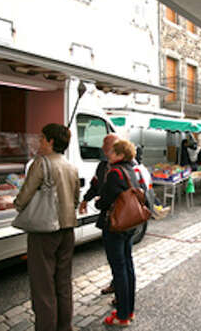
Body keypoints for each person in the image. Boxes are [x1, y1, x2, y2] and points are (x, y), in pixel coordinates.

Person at [14, 123, 80, 331]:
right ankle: (64, 327)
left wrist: (16, 205)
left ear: (51, 141)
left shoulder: (41, 163)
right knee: (63, 282)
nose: (39, 142)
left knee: (43, 286)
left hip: (44, 231)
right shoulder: (71, 166)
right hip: (67, 229)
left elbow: (24, 196)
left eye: (42, 138)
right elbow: (76, 199)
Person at [95, 140, 144, 326]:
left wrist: (99, 202)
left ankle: (122, 315)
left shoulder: (115, 172)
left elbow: (105, 201)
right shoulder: (132, 170)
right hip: (129, 225)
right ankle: (129, 310)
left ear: (121, 155)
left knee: (119, 270)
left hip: (116, 226)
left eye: (113, 152)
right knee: (128, 266)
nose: (109, 154)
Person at [79, 133, 120, 295]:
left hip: (120, 219)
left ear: (114, 148)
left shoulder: (125, 167)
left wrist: (98, 202)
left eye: (105, 145)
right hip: (108, 219)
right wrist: (85, 200)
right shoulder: (103, 166)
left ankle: (122, 296)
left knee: (121, 260)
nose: (102, 148)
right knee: (115, 258)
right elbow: (95, 185)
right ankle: (116, 284)